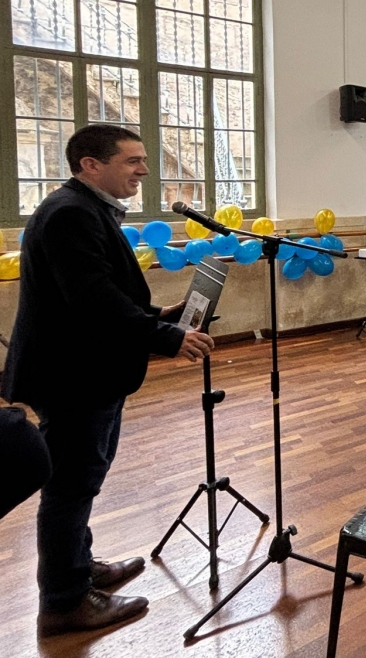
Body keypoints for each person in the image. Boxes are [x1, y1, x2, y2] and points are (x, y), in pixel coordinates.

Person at [2, 124, 215, 636]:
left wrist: (158, 315)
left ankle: (79, 566)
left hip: (79, 367)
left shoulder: (80, 207)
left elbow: (96, 292)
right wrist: (165, 338)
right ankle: (64, 601)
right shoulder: (71, 213)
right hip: (73, 374)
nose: (144, 169)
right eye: (132, 161)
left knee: (80, 479)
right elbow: (92, 301)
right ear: (90, 165)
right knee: (72, 485)